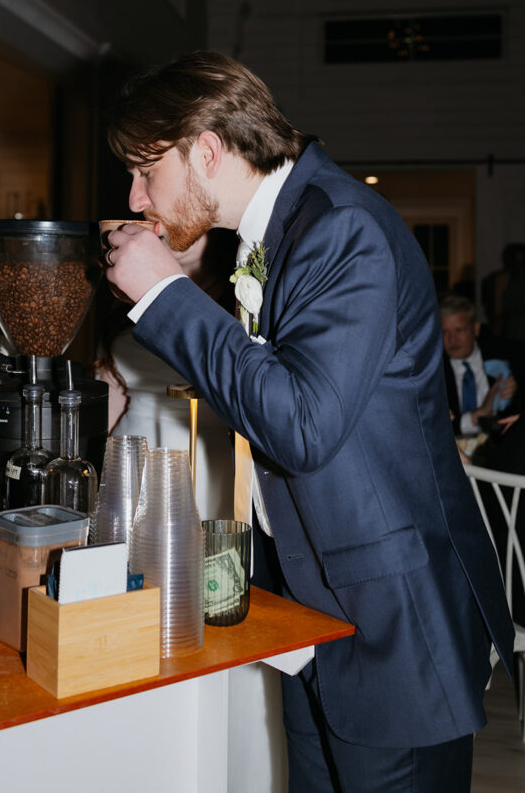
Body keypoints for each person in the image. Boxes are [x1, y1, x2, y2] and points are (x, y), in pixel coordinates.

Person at [102, 50, 514, 793]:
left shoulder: (342, 226)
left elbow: (301, 426)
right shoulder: (278, 233)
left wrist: (165, 299)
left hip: (391, 621)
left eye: (144, 170)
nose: (135, 197)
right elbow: (262, 394)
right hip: (315, 608)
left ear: (206, 150)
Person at [95, 229, 237, 520]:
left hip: (206, 463)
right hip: (130, 458)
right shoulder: (133, 285)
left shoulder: (236, 298)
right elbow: (113, 386)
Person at [440, 293, 519, 439]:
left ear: (475, 329)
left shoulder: (506, 356)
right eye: (445, 332)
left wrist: (516, 391)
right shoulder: (432, 372)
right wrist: (477, 415)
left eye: (459, 330)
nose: (452, 339)